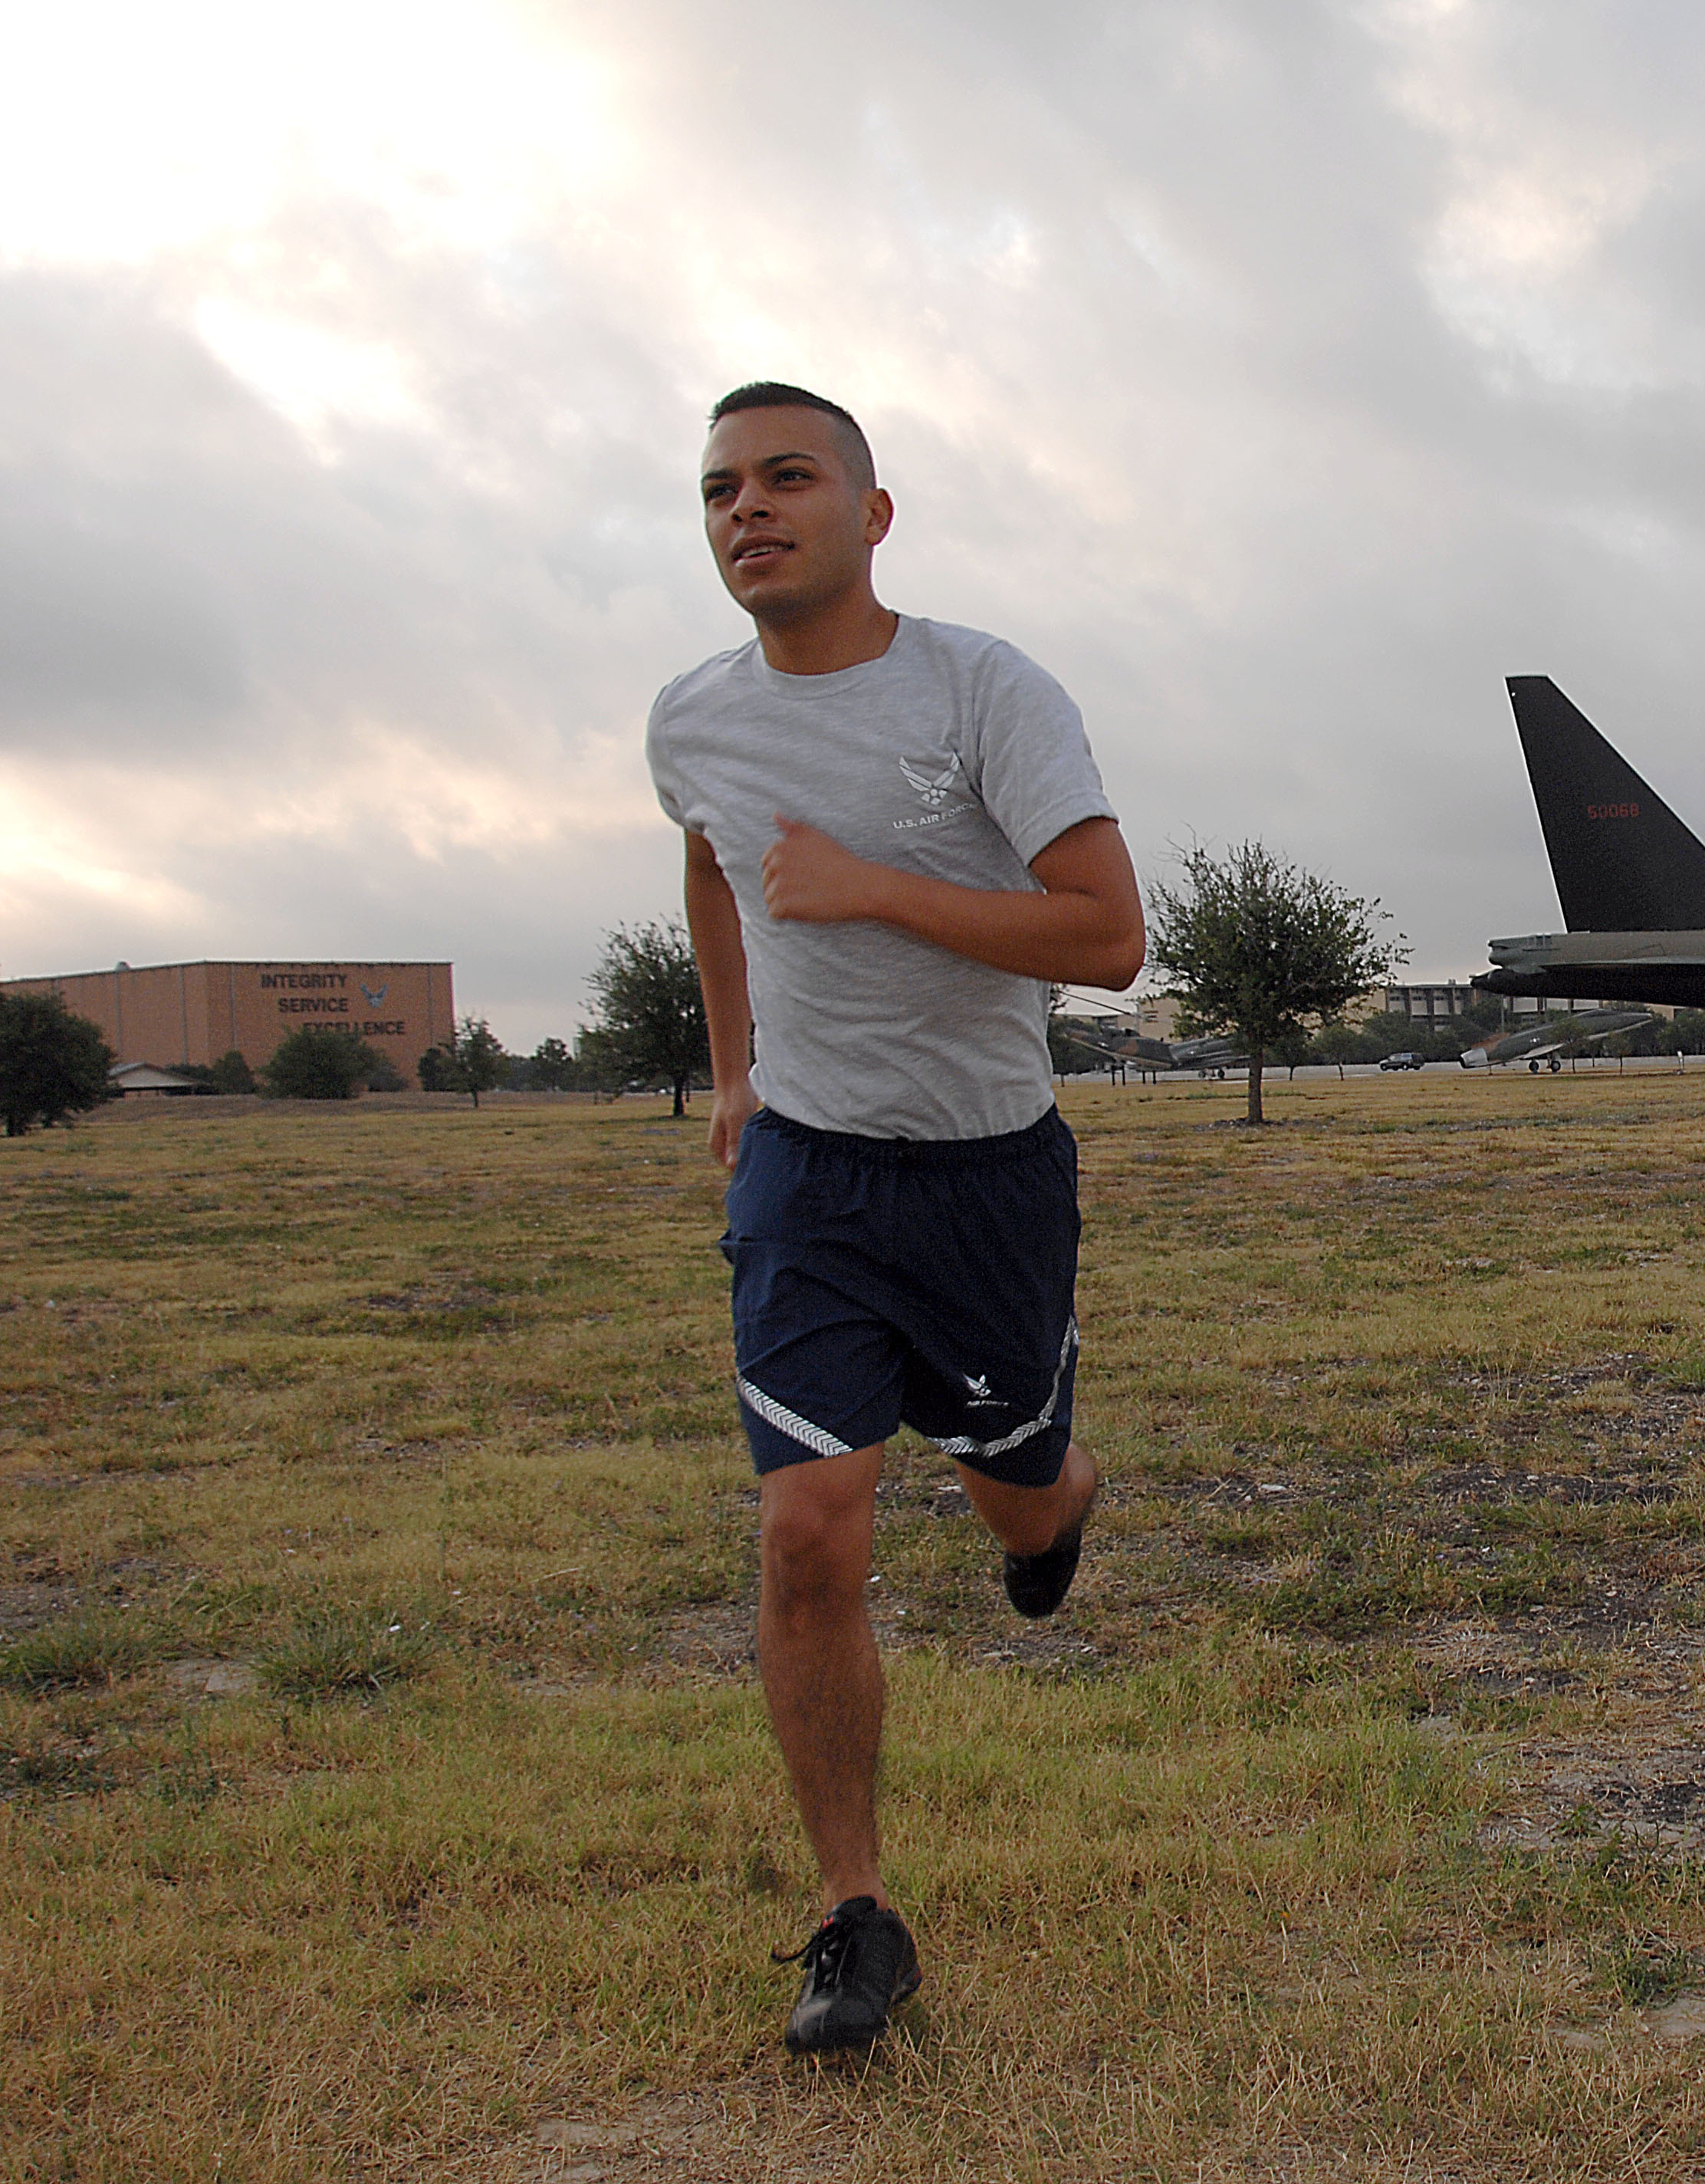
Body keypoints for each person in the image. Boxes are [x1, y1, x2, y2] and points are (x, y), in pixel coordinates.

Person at [646, 381, 1145, 2056]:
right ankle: (857, 1919)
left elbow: (1105, 937)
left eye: (788, 477)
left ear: (873, 511)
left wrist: (871, 887)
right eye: (719, 489)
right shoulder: (692, 721)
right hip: (812, 1173)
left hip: (988, 1172)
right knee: (810, 1526)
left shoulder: (983, 689)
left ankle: (1053, 1496)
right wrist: (733, 1073)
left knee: (1012, 1500)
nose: (747, 510)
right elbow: (715, 865)